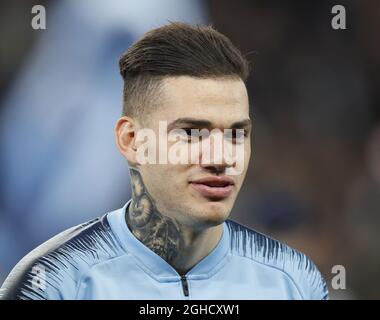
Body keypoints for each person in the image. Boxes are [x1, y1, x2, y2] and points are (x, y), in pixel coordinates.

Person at [0, 22, 328, 300]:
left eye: (235, 134)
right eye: (191, 133)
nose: (220, 159)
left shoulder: (294, 281)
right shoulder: (53, 282)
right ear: (132, 141)